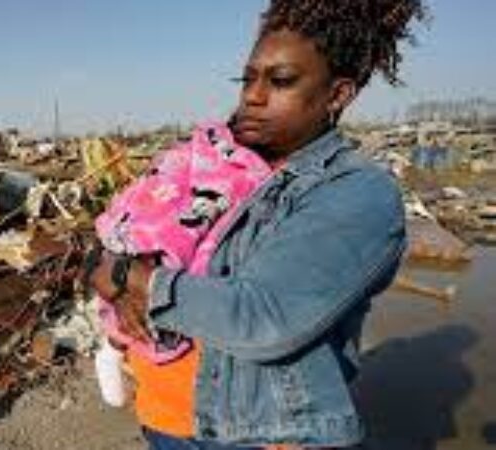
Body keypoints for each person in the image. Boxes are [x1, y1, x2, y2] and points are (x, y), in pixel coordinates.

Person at [88, 0, 427, 448]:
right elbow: (131, 222)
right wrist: (106, 261)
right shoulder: (213, 162)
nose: (253, 95)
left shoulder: (356, 192)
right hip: (165, 420)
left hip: (263, 436)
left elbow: (262, 318)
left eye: (280, 80)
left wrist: (123, 275)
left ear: (338, 94)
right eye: (247, 78)